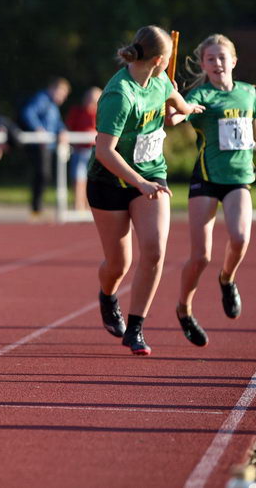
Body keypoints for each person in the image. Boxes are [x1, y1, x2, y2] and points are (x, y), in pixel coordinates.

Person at [168, 34, 256, 347]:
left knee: (240, 238)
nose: (217, 63)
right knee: (200, 256)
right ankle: (184, 309)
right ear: (203, 64)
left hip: (239, 177)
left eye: (222, 57)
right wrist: (173, 100)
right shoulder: (200, 95)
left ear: (234, 61)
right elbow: (172, 119)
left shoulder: (247, 93)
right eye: (211, 59)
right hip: (206, 178)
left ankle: (227, 279)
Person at [88, 25, 203, 356]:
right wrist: (137, 182)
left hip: (152, 175)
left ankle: (136, 327)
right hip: (109, 180)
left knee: (153, 250)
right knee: (118, 264)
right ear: (160, 58)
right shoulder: (118, 95)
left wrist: (186, 108)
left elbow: (174, 107)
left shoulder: (161, 80)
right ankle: (108, 296)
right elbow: (104, 152)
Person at [19, 77, 71, 219]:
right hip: (39, 145)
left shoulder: (53, 106)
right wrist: (37, 128)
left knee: (45, 175)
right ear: (52, 88)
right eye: (61, 93)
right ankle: (36, 208)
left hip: (47, 146)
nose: (62, 98)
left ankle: (37, 208)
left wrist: (62, 130)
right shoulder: (42, 99)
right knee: (42, 174)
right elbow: (28, 113)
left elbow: (57, 123)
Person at [64, 87, 102, 212]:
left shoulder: (102, 113)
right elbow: (69, 128)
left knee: (94, 181)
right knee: (78, 179)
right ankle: (78, 207)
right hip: (80, 151)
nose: (91, 102)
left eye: (95, 100)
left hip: (97, 154)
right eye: (90, 99)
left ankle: (90, 208)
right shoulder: (77, 112)